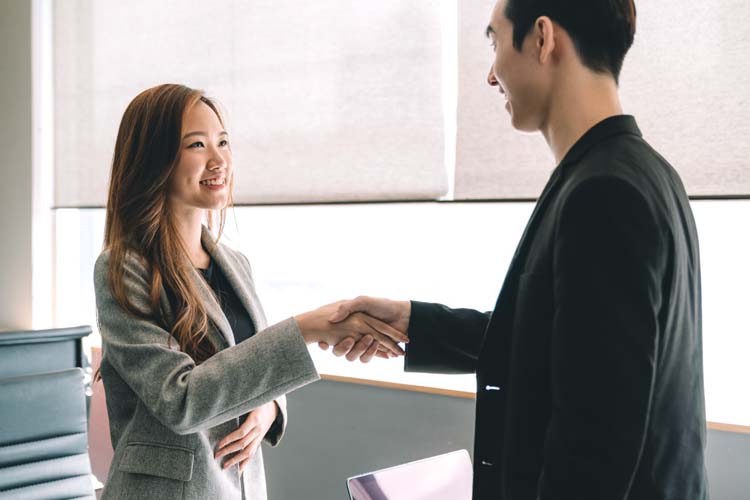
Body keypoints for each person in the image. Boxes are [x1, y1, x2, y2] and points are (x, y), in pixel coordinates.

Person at [323, 1, 708, 498]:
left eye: (495, 42)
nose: (490, 75)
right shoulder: (642, 173)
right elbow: (564, 344)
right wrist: (413, 322)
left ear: (543, 38)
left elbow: (595, 442)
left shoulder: (602, 195)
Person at [93, 83, 407, 500]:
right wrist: (307, 328)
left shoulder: (233, 263)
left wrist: (269, 406)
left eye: (223, 142)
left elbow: (249, 364)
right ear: (155, 160)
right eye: (197, 144)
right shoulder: (123, 268)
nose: (219, 159)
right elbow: (180, 399)